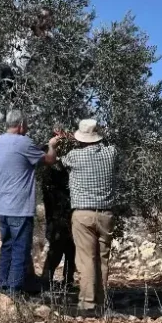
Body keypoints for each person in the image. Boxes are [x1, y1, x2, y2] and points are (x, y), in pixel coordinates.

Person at [0, 110, 59, 292]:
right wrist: (52, 145)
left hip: (1, 206)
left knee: (7, 246)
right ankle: (14, 290)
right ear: (21, 125)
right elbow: (49, 160)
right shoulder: (24, 142)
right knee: (20, 248)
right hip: (19, 207)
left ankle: (1, 286)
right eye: (26, 125)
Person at [62, 119, 118, 313]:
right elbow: (110, 142)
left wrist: (65, 139)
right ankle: (101, 302)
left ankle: (87, 302)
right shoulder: (111, 153)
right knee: (102, 259)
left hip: (83, 214)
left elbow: (60, 160)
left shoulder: (73, 156)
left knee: (86, 260)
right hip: (106, 214)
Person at [0, 7, 55, 116]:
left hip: (22, 74)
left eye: (45, 17)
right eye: (40, 16)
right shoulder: (25, 31)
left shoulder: (47, 36)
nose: (41, 20)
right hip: (10, 68)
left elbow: (44, 39)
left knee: (2, 73)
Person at [40, 147, 75, 289]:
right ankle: (48, 280)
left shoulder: (49, 176)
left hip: (58, 217)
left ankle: (64, 281)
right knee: (58, 250)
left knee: (67, 250)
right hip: (59, 217)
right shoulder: (52, 176)